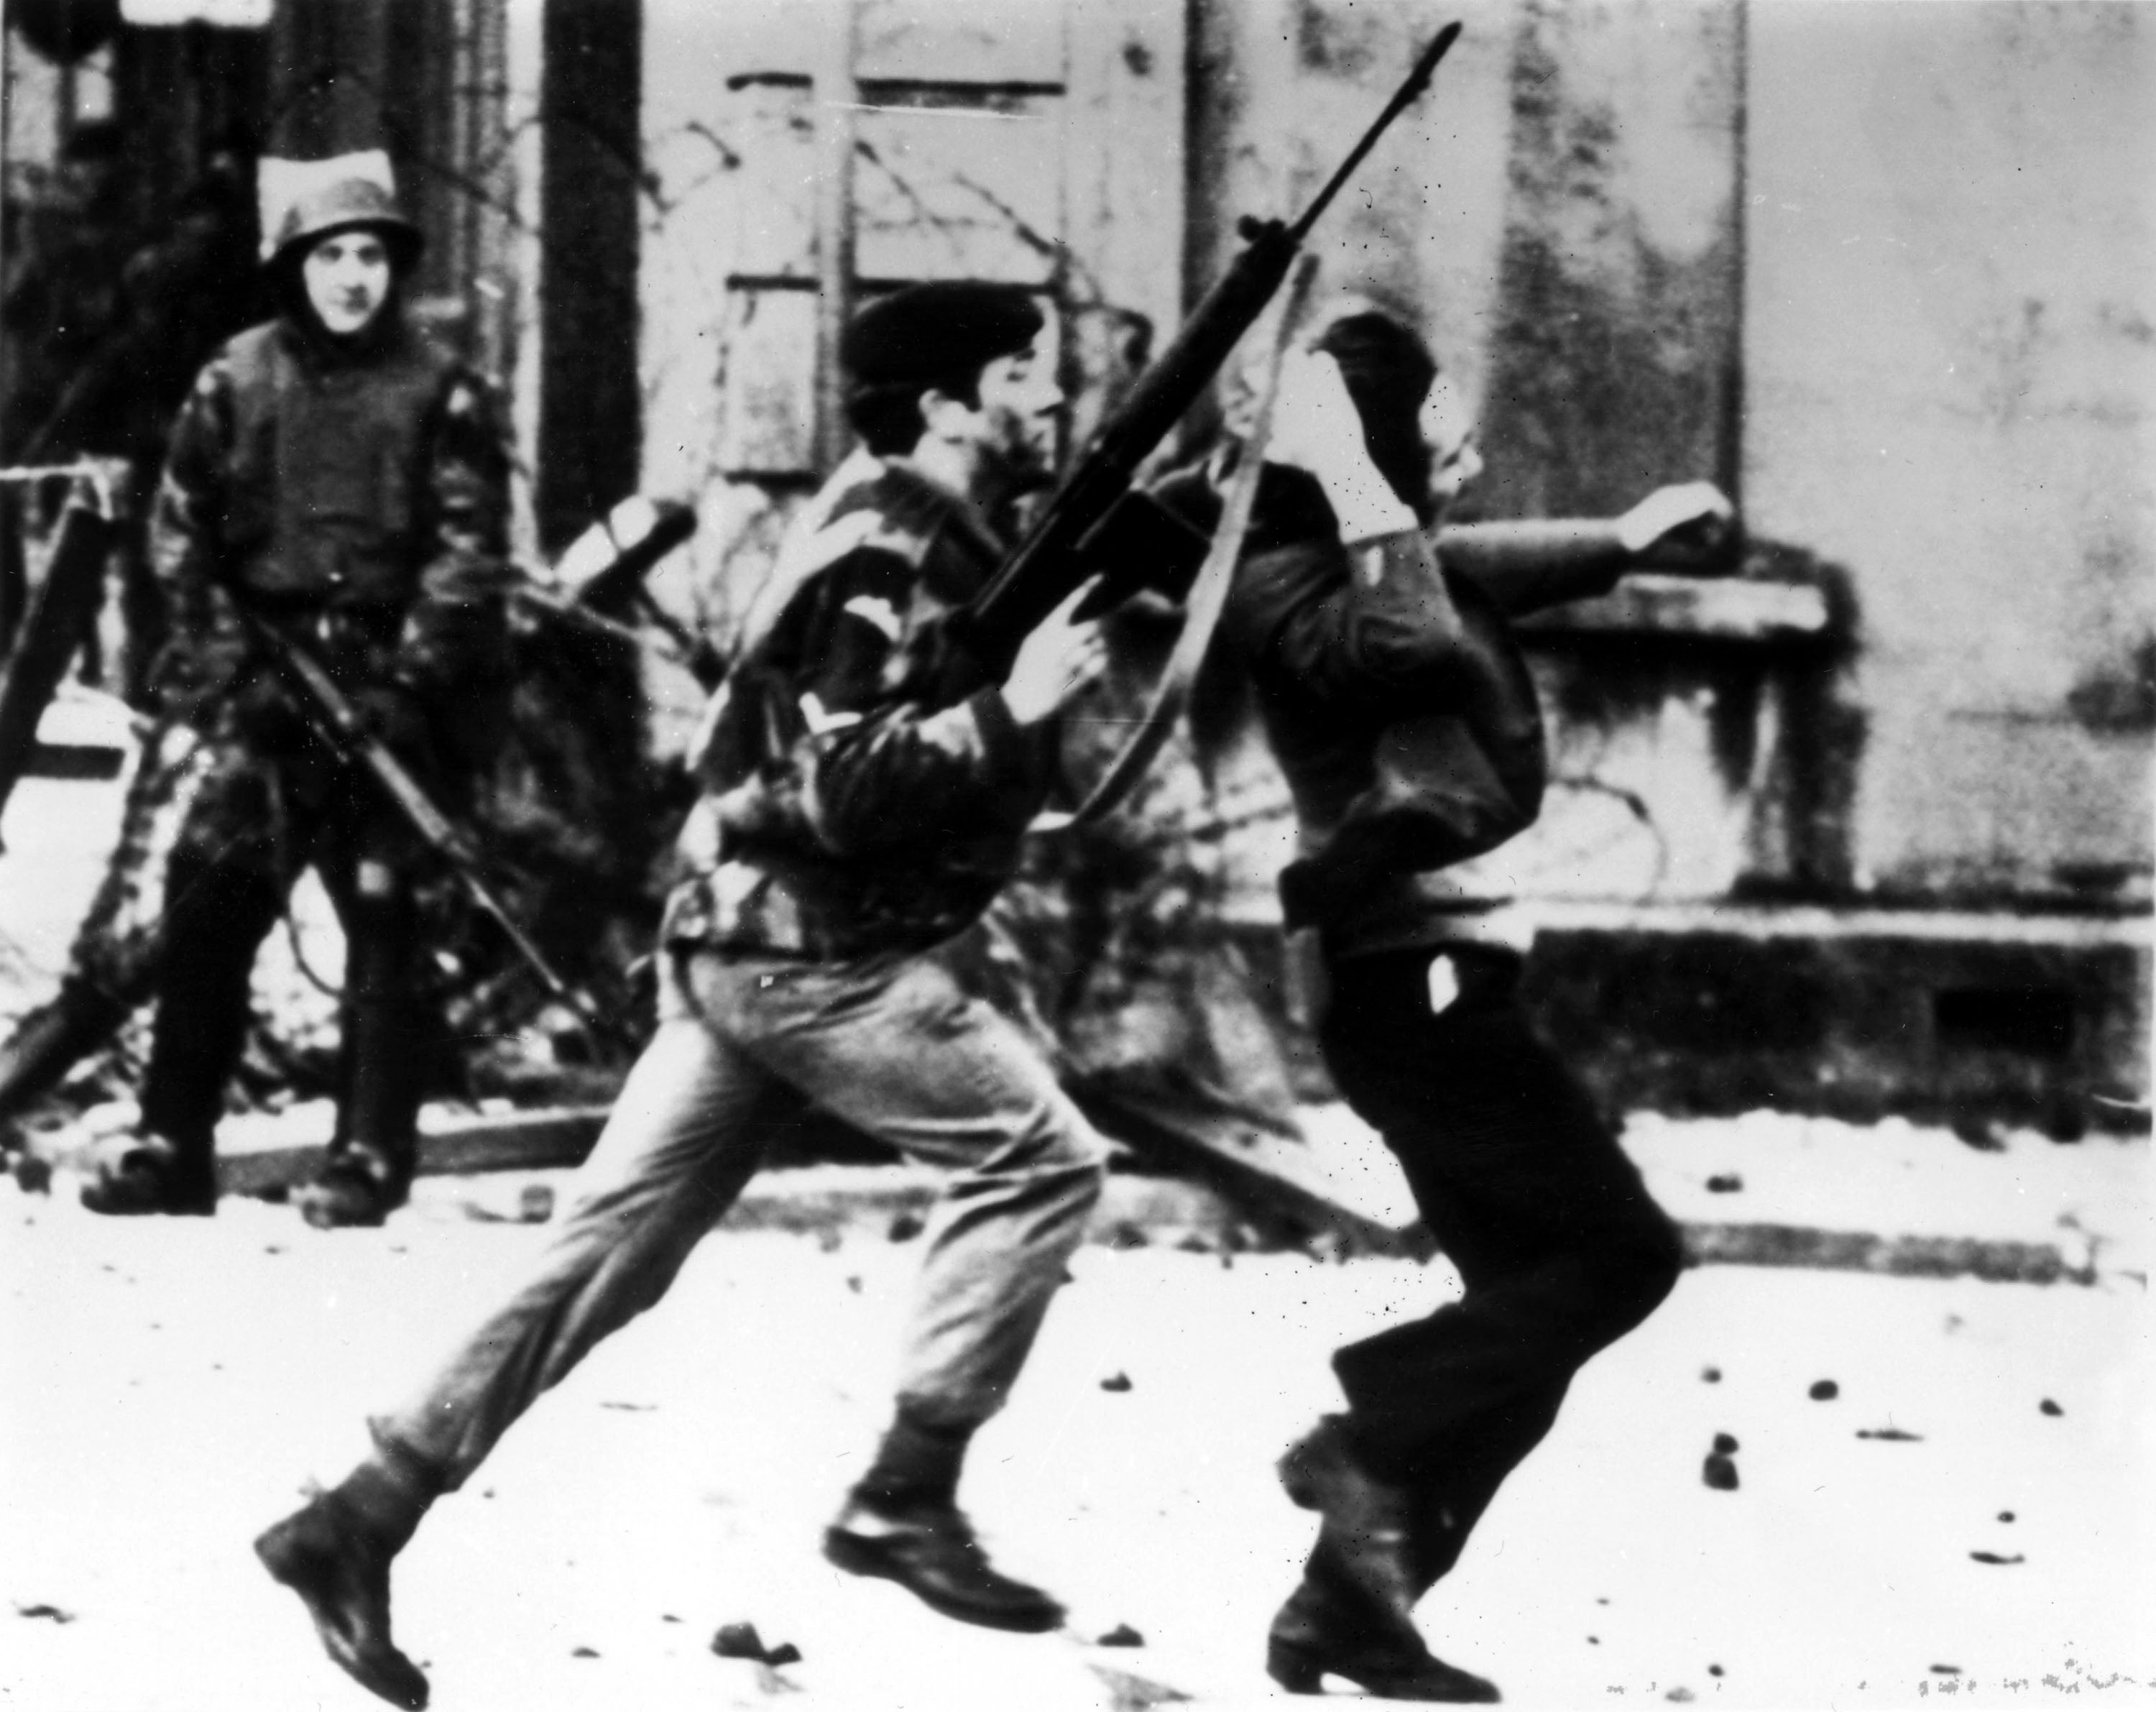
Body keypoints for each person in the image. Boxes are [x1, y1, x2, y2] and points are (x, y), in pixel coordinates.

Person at [253, 280, 1116, 1709]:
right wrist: (1006, 712)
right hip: (805, 957)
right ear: (950, 405)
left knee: (606, 1253)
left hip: (739, 947)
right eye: (1027, 374)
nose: (1053, 398)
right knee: (1042, 1159)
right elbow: (839, 783)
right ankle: (907, 1493)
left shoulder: (908, 522)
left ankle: (353, 1519)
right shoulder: (884, 545)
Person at [1172, 304, 1731, 1702]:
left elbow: (1470, 571)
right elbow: (1411, 628)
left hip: (1431, 985)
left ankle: (1350, 1609)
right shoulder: (1301, 588)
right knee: (1618, 1267)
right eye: (1430, 413)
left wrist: (1628, 535)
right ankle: (1370, 1427)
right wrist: (1367, 483)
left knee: (1527, 1318)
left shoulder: (1370, 559)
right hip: (1405, 985)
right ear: (1367, 444)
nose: (1461, 430)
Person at [75, 153, 513, 1228]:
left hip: (383, 689)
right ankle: (171, 1142)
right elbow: (182, 530)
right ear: (296, 267)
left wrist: (410, 681)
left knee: (382, 911)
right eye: (333, 255)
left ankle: (368, 1155)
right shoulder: (237, 378)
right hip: (268, 685)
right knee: (207, 896)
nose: (354, 276)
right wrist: (229, 664)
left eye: (372, 254)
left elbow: (469, 551)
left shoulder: (441, 385)